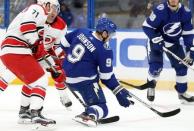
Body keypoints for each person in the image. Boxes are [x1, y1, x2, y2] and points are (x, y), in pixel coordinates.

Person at [60, 18, 134, 127]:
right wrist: (118, 91)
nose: (111, 38)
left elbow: (63, 43)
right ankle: (90, 115)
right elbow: (106, 77)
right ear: (104, 33)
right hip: (84, 82)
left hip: (65, 77)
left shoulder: (81, 31)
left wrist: (73, 62)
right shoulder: (105, 50)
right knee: (103, 109)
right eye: (110, 34)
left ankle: (90, 109)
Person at [0, 0, 62, 127]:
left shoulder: (41, 21)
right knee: (41, 80)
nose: (54, 11)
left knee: (32, 81)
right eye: (54, 7)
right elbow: (26, 26)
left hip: (13, 50)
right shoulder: (37, 8)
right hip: (17, 48)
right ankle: (36, 114)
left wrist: (53, 68)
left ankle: (24, 113)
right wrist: (35, 42)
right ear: (47, 4)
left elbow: (38, 53)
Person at [142, 0, 194, 103]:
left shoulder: (186, 13)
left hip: (173, 44)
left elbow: (188, 33)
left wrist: (190, 51)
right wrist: (156, 38)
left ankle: (182, 93)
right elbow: (147, 26)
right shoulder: (160, 10)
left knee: (182, 67)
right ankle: (151, 86)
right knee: (156, 67)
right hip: (156, 42)